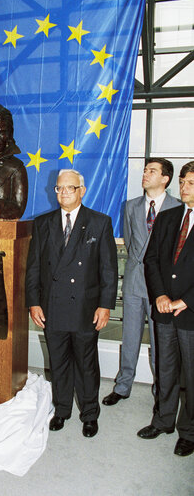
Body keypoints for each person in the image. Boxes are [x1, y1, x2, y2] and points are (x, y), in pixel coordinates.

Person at [25, 169, 117, 437]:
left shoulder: (99, 222)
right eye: (59, 188)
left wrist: (105, 305)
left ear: (82, 190)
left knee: (86, 364)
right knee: (59, 362)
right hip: (51, 306)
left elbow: (108, 270)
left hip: (85, 308)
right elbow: (34, 268)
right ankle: (62, 409)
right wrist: (33, 302)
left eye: (70, 188)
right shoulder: (43, 223)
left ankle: (89, 413)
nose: (64, 193)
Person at [103, 158, 179, 406]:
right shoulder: (131, 206)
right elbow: (129, 239)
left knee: (161, 342)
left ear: (165, 178)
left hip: (163, 288)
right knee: (130, 337)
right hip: (135, 282)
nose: (145, 174)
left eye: (152, 171)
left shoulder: (177, 208)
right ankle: (123, 385)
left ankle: (162, 391)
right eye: (145, 170)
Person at [137, 161, 194, 457]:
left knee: (192, 375)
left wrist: (185, 301)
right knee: (166, 368)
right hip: (163, 309)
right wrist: (159, 295)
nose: (184, 188)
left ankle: (189, 432)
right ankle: (164, 420)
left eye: (191, 184)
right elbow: (152, 260)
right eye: (183, 182)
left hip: (190, 313)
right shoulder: (169, 216)